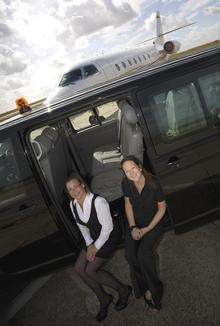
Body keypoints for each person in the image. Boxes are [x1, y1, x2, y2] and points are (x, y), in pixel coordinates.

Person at [66, 173, 132, 322]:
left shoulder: (98, 202)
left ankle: (124, 290)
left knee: (90, 270)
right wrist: (89, 244)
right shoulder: (73, 204)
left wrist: (94, 248)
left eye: (76, 186)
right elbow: (82, 227)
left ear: (82, 185)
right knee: (78, 268)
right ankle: (103, 298)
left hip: (108, 236)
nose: (74, 191)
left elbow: (108, 228)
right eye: (70, 189)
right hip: (93, 237)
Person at [121, 155, 166, 312]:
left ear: (139, 166)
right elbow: (128, 204)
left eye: (133, 168)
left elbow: (162, 208)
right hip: (135, 223)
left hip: (153, 223)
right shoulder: (126, 183)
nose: (131, 173)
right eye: (127, 171)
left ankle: (155, 292)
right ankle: (142, 287)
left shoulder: (154, 183)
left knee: (144, 256)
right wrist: (133, 227)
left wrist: (146, 230)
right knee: (130, 255)